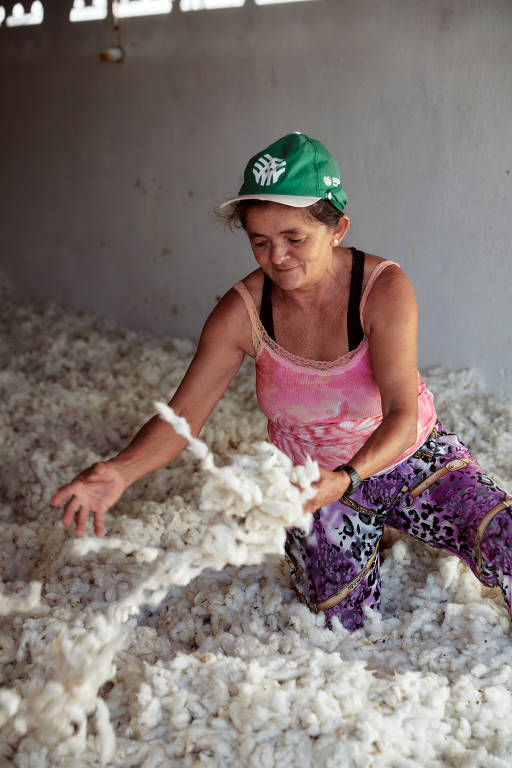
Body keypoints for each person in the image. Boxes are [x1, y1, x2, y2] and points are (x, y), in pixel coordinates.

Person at [51, 132, 512, 631]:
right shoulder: (243, 312)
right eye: (261, 242)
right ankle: (370, 531)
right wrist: (120, 471)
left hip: (409, 456)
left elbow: (402, 415)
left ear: (337, 229)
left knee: (503, 534)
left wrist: (350, 477)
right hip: (313, 483)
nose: (278, 257)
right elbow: (184, 416)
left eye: (296, 238)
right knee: (344, 623)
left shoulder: (382, 288)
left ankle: (393, 520)